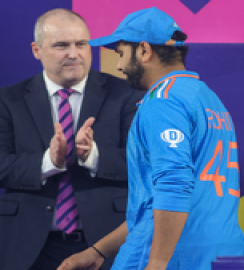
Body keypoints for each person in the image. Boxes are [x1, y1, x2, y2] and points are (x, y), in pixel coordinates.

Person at [57, 7, 244, 270]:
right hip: (220, 253)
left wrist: (156, 264)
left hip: (172, 255)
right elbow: (153, 206)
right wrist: (99, 250)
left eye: (121, 54)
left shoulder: (163, 101)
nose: (120, 65)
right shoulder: (208, 98)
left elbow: (174, 186)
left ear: (144, 50)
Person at [0, 8, 144, 270]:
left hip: (106, 243)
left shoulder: (126, 95)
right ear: (37, 50)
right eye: (61, 45)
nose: (74, 54)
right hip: (28, 245)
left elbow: (143, 164)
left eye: (81, 44)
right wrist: (48, 162)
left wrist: (93, 157)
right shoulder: (8, 100)